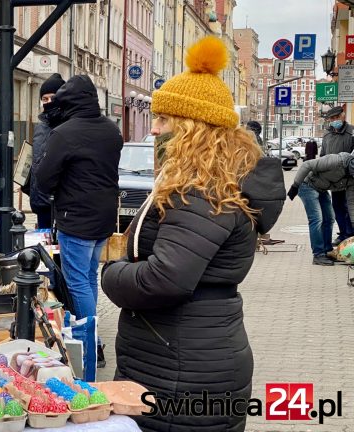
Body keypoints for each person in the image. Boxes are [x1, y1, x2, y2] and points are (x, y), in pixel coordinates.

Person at [101, 36, 285, 432]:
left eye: (163, 120)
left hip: (182, 367)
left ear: (194, 128)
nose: (153, 131)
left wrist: (111, 273)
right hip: (185, 356)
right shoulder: (211, 181)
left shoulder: (201, 189)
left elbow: (165, 278)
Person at [34, 74, 123, 321]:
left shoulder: (65, 134)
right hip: (104, 218)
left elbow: (43, 179)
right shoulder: (112, 129)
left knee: (77, 282)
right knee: (89, 277)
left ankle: (89, 341)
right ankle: (93, 335)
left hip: (76, 218)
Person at [287, 152, 354, 265]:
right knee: (317, 219)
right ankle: (318, 255)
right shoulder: (336, 161)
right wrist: (295, 185)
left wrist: (353, 223)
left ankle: (327, 250)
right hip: (306, 185)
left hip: (321, 189)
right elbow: (307, 164)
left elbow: (351, 202)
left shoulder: (352, 179)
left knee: (329, 218)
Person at [30, 73, 66, 229]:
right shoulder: (40, 126)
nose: (48, 102)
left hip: (60, 204)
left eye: (52, 97)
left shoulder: (68, 125)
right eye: (44, 99)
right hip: (41, 203)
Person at [320, 106, 354, 245]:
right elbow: (322, 155)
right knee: (338, 207)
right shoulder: (327, 135)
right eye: (331, 119)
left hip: (350, 178)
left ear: (343, 115)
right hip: (334, 179)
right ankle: (343, 234)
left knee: (349, 207)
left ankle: (351, 234)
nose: (334, 120)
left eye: (336, 117)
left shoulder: (351, 133)